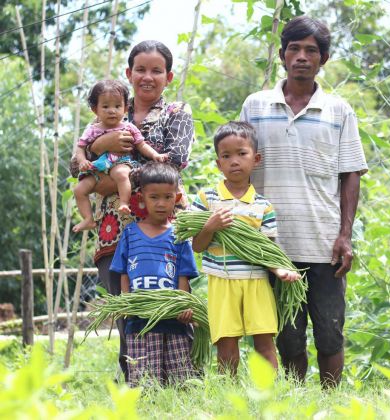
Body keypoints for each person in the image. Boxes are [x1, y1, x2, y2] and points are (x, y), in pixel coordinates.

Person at [240, 16, 368, 388]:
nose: (301, 56)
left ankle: (329, 402)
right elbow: (238, 163)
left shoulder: (339, 110)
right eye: (294, 48)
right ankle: (296, 401)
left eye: (311, 50)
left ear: (323, 59)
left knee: (330, 331)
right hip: (271, 245)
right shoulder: (255, 105)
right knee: (287, 335)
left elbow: (351, 174)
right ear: (281, 55)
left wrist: (345, 235)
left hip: (324, 243)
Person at [70, 40, 195, 382]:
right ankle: (135, 384)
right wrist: (99, 146)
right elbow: (73, 166)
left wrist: (111, 180)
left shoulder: (176, 113)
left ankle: (179, 381)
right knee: (126, 307)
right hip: (115, 228)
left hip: (164, 227)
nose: (147, 77)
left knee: (171, 305)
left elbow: (175, 159)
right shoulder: (106, 114)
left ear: (168, 77)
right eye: (140, 69)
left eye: (156, 70)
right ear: (129, 73)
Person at [190, 121, 300, 375]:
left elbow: (267, 249)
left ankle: (272, 396)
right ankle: (230, 395)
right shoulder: (207, 199)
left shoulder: (263, 206)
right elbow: (197, 246)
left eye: (242, 153)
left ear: (256, 158)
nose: (234, 161)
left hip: (257, 282)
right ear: (218, 164)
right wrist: (210, 227)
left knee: (265, 342)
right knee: (226, 343)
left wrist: (279, 270)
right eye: (226, 156)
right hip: (222, 282)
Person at [110, 162, 199, 386]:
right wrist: (127, 300)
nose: (161, 204)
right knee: (143, 380)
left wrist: (183, 305)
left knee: (180, 377)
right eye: (154, 197)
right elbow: (123, 273)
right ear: (141, 198)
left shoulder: (179, 235)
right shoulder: (130, 233)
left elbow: (183, 275)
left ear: (177, 198)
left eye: (167, 197)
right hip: (139, 319)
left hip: (173, 320)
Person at [73, 80, 168, 232]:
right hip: (98, 168)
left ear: (125, 108)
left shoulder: (128, 127)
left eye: (117, 106)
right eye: (105, 106)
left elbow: (141, 145)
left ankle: (124, 202)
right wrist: (83, 160)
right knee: (79, 190)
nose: (112, 111)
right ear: (94, 109)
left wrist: (156, 155)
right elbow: (80, 148)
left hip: (120, 161)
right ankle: (88, 219)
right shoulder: (92, 130)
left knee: (121, 174)